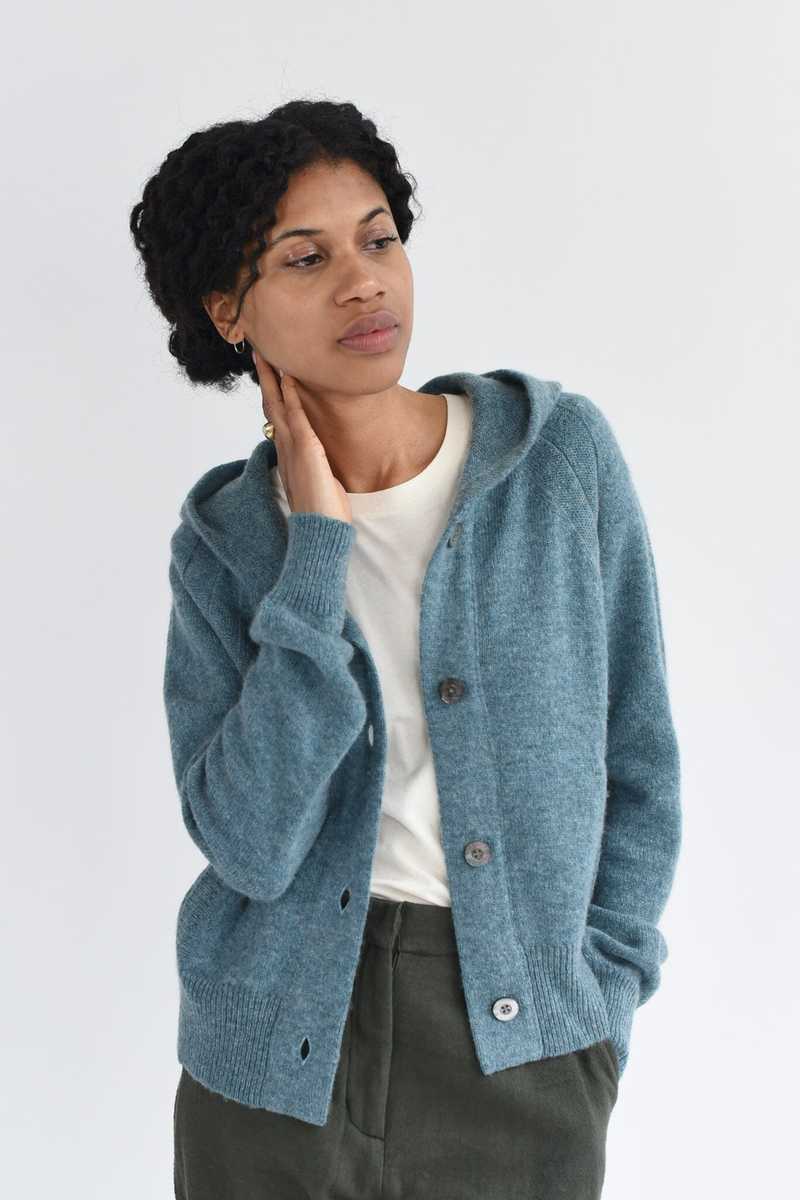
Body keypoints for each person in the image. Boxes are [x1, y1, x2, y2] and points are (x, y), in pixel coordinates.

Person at [129, 98, 682, 1199]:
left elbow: (638, 758)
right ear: (228, 310)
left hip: (521, 1045)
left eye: (378, 240)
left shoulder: (554, 461)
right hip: (273, 1061)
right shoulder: (227, 542)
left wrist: (600, 1001)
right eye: (306, 258)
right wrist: (315, 554)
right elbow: (248, 846)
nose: (363, 283)